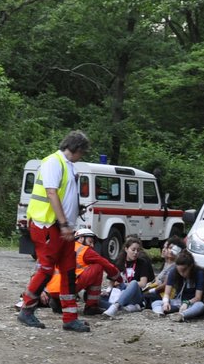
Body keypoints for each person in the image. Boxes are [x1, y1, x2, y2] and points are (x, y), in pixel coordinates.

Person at [17, 130, 92, 332]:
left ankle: (70, 318)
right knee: (47, 269)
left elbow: (62, 194)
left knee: (68, 271)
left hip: (60, 227)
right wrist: (64, 223)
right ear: (76, 149)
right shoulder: (53, 162)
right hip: (48, 226)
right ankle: (26, 310)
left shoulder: (67, 165)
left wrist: (74, 212)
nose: (82, 156)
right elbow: (51, 193)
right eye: (83, 152)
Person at [45, 227, 122, 315]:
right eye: (90, 241)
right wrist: (118, 277)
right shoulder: (84, 250)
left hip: (52, 289)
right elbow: (106, 264)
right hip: (68, 288)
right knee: (98, 267)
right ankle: (91, 307)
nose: (92, 245)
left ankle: (58, 302)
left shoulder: (65, 247)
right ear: (81, 239)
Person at [153, 248, 204, 321]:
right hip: (177, 302)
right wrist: (166, 302)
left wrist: (187, 303)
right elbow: (167, 293)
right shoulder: (173, 272)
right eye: (179, 271)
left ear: (190, 266)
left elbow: (198, 297)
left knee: (200, 305)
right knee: (156, 302)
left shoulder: (199, 273)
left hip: (191, 304)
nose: (182, 274)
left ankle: (181, 315)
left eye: (184, 270)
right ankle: (159, 312)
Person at [105, 238, 155, 316]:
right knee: (98, 298)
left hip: (135, 294)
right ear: (126, 249)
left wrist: (126, 285)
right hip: (119, 293)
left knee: (134, 283)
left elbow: (143, 283)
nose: (135, 253)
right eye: (133, 250)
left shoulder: (142, 263)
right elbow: (111, 282)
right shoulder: (119, 262)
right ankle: (128, 307)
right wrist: (108, 291)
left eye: (138, 250)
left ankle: (115, 306)